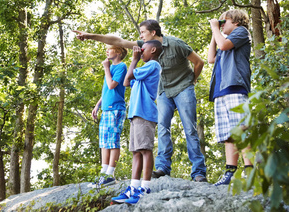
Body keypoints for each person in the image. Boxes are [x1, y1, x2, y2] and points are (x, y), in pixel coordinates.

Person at [74, 19, 207, 182]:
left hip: (183, 87)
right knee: (163, 128)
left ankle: (198, 172)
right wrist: (90, 36)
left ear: (153, 32)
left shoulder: (176, 44)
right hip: (164, 90)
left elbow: (199, 62)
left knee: (190, 128)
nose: (140, 35)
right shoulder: (145, 47)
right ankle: (163, 168)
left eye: (142, 32)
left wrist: (191, 81)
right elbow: (118, 41)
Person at [111, 40, 162, 204]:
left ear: (153, 50)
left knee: (145, 150)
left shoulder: (153, 65)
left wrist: (134, 59)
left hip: (145, 112)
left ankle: (145, 188)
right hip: (135, 113)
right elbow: (126, 82)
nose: (140, 52)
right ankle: (133, 187)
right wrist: (136, 60)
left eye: (143, 49)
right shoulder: (143, 69)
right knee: (136, 151)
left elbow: (131, 75)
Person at [207, 9, 253, 186]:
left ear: (235, 21)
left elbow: (224, 46)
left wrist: (216, 29)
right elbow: (211, 58)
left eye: (224, 21)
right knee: (228, 135)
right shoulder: (223, 40)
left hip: (235, 87)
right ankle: (230, 172)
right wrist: (215, 31)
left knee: (241, 130)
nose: (221, 24)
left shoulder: (241, 32)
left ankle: (249, 170)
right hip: (221, 91)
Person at [87, 45, 128, 189]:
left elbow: (112, 85)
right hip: (106, 109)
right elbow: (106, 91)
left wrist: (106, 68)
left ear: (118, 52)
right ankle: (103, 173)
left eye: (109, 49)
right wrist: (98, 105)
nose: (106, 51)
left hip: (116, 109)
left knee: (113, 141)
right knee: (104, 142)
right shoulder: (110, 69)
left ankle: (110, 174)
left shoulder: (121, 66)